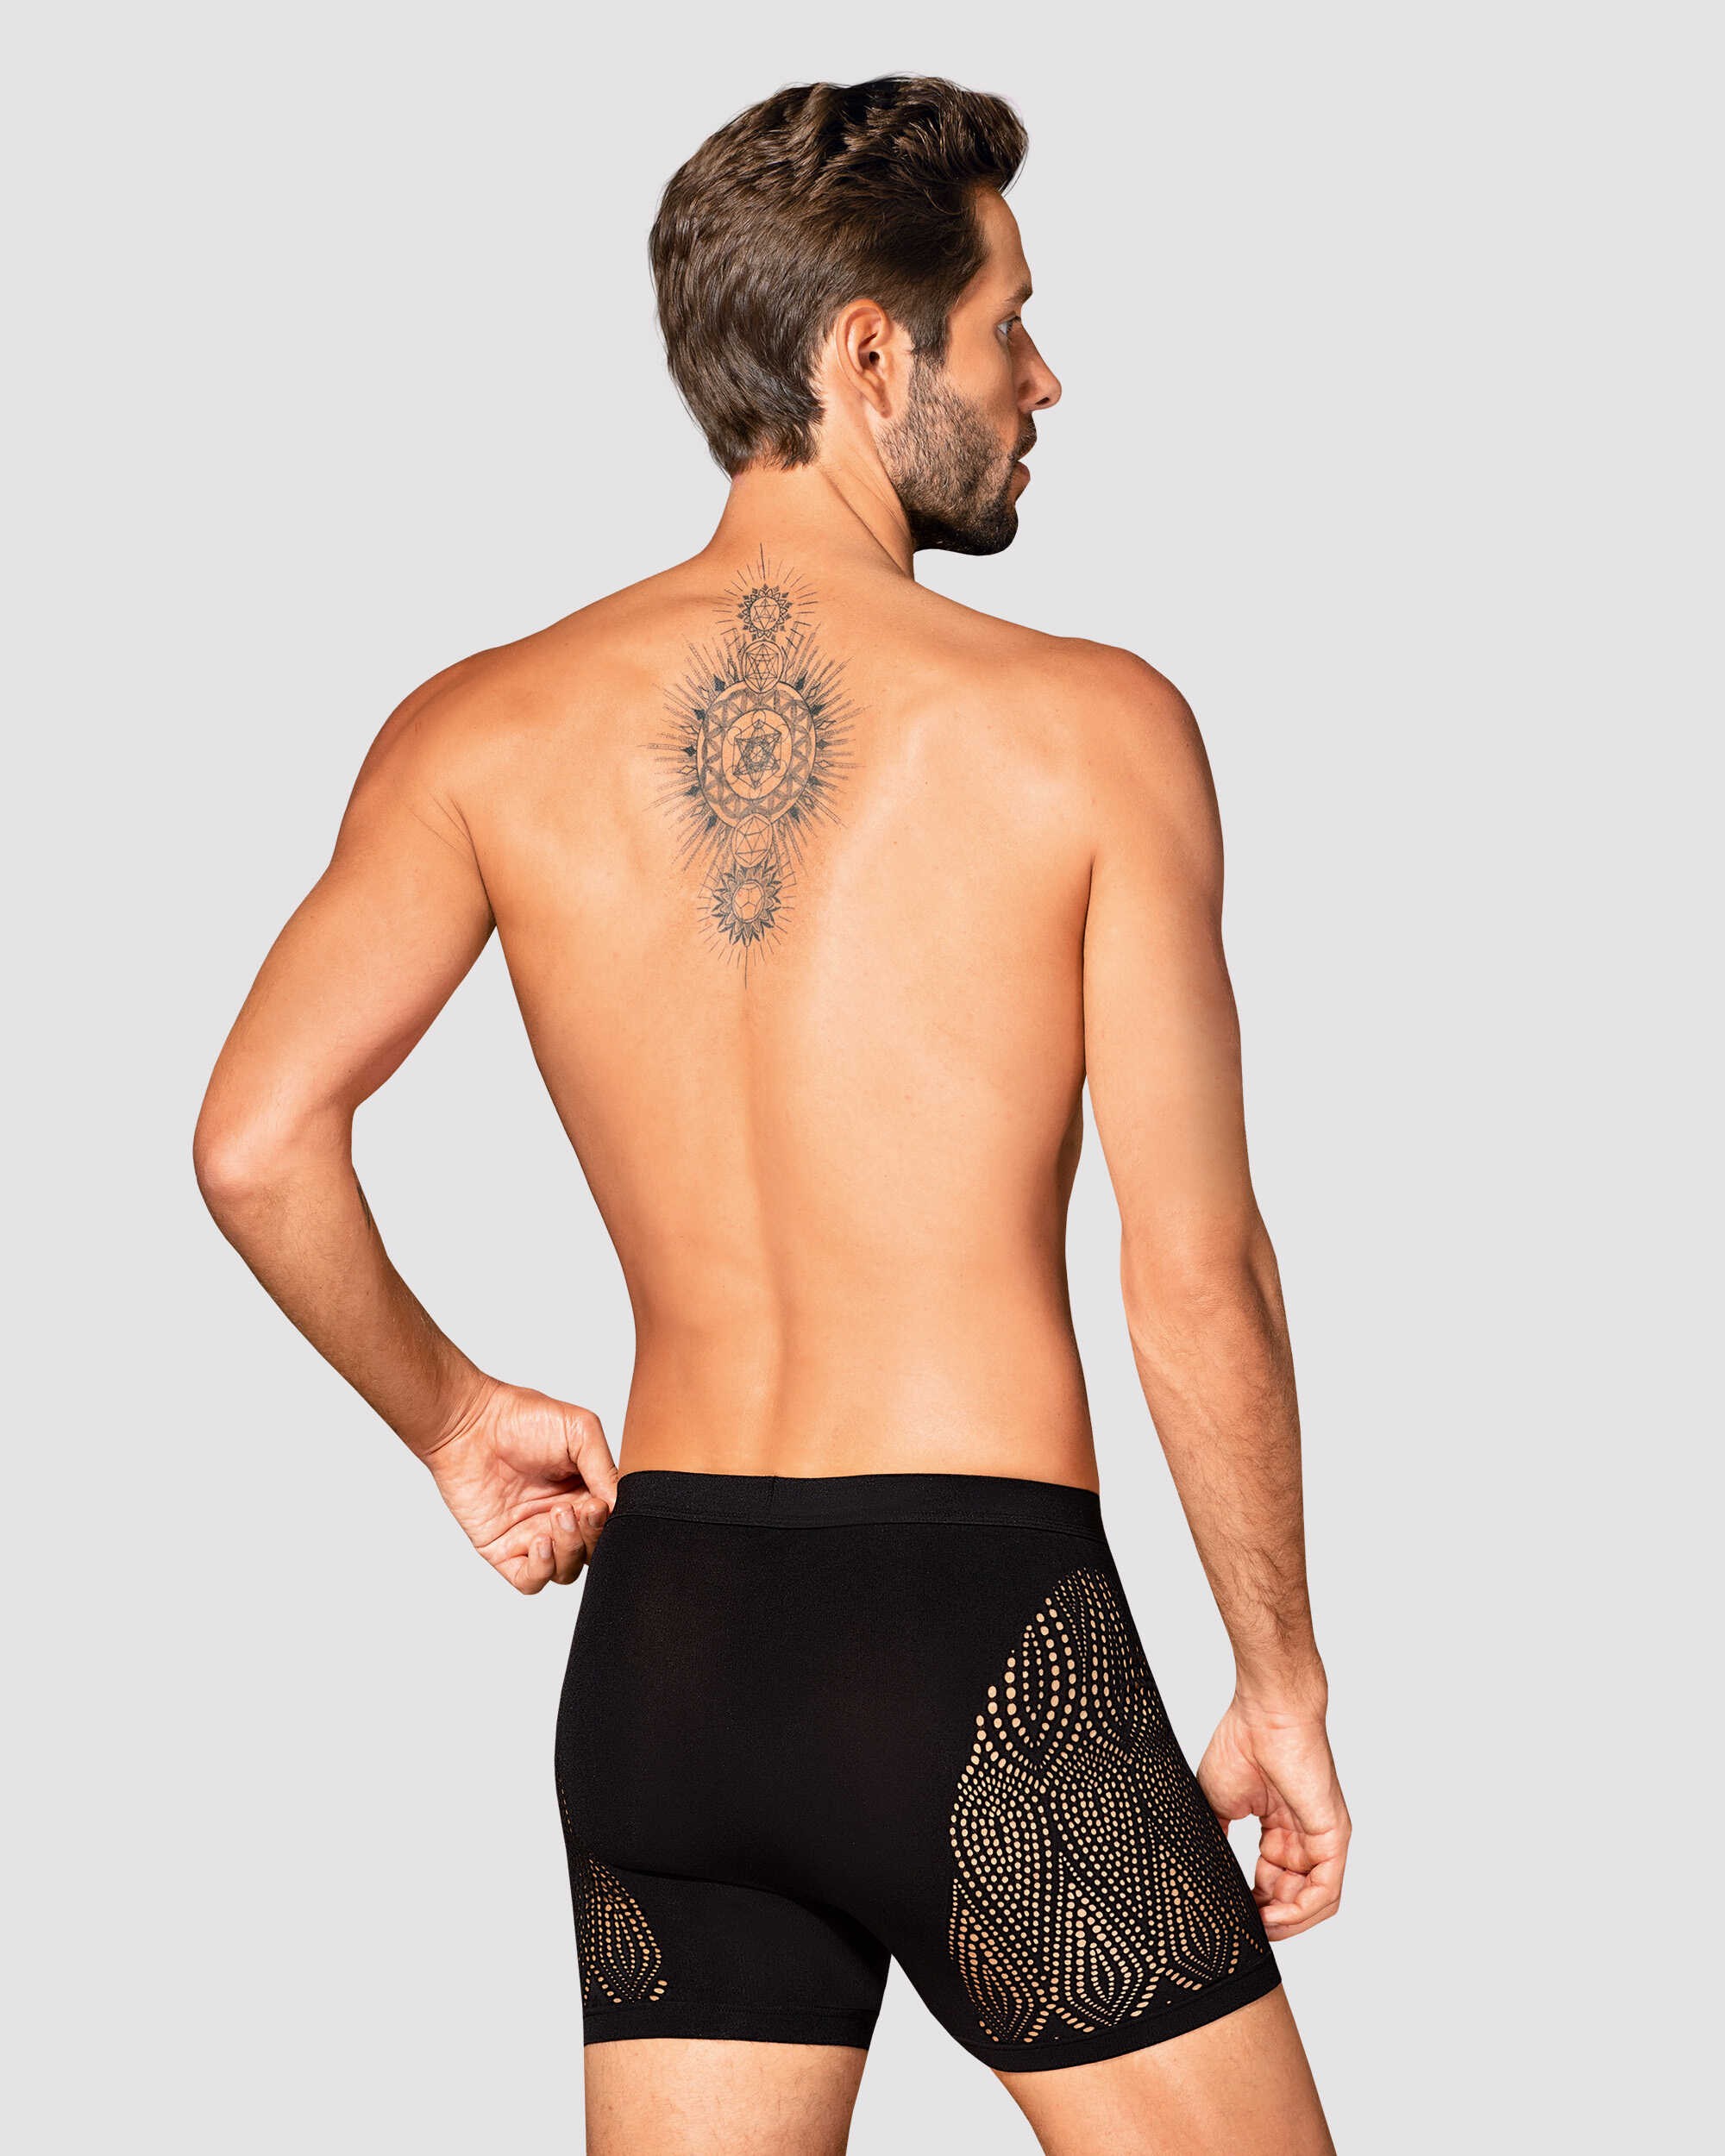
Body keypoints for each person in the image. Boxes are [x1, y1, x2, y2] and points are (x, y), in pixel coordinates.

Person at [195, 75, 1348, 2156]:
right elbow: (1192, 1269)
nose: (1044, 380)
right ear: (869, 352)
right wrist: (1280, 1679)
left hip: (666, 1659)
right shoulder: (1090, 729)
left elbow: (256, 1140)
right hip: (971, 1644)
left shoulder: (478, 727)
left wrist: (454, 1419)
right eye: (1010, 324)